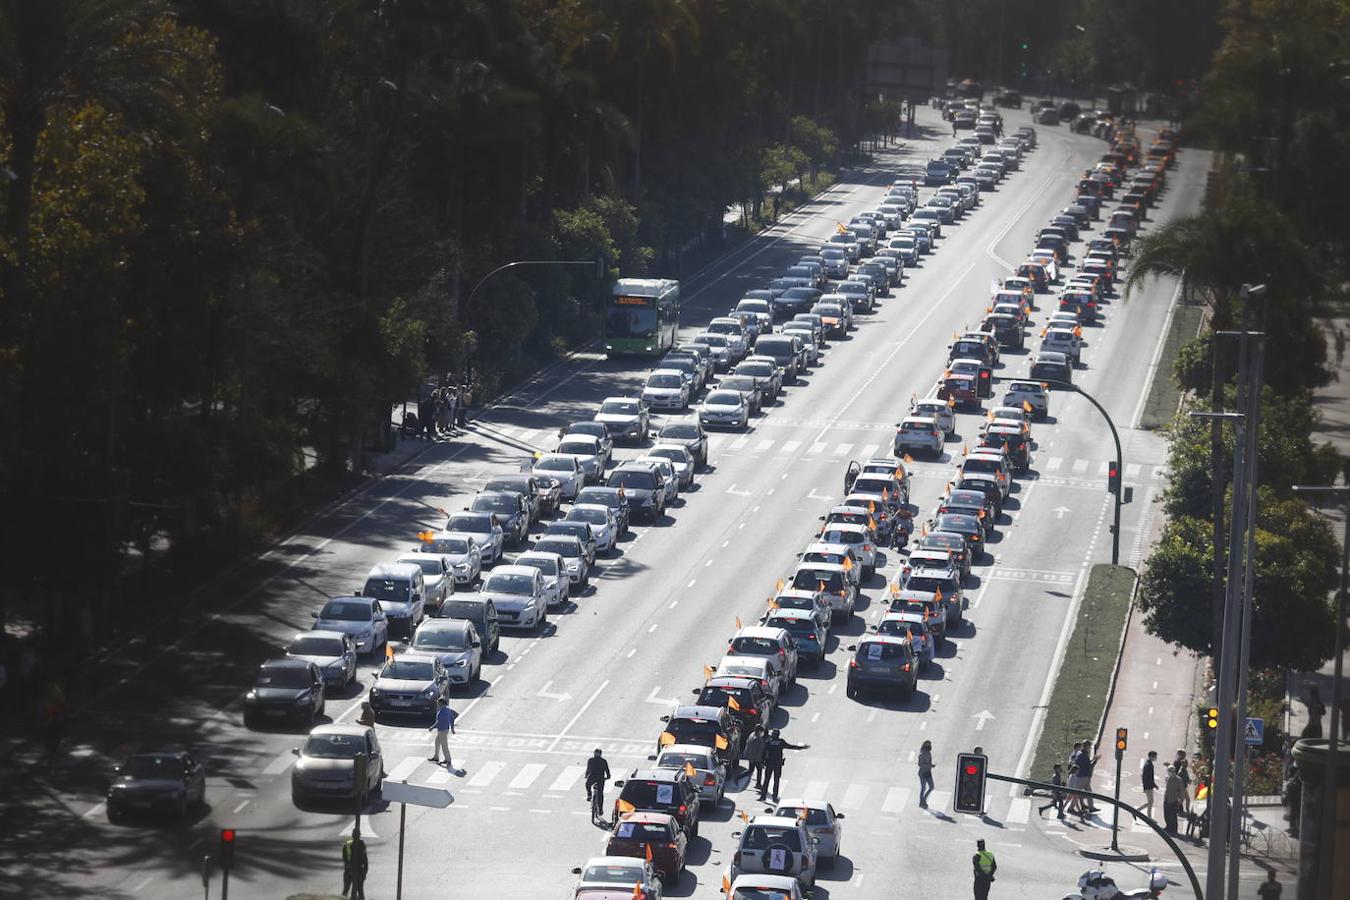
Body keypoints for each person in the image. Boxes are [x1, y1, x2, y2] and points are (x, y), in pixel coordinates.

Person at [759, 728, 809, 801]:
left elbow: (763, 753)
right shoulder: (780, 742)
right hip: (777, 764)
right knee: (776, 781)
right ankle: (774, 797)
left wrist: (762, 762)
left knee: (766, 780)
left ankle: (763, 797)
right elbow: (791, 746)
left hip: (769, 764)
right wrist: (801, 748)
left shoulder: (768, 742)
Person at [427, 698, 462, 774]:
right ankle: (436, 757)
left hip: (442, 730)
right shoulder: (448, 710)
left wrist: (432, 727)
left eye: (438, 703)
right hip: (444, 730)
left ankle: (448, 760)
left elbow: (438, 722)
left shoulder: (442, 711)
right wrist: (452, 728)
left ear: (441, 703)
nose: (437, 705)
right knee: (437, 742)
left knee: (444, 746)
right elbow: (452, 719)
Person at [342, 834, 368, 899]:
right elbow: (365, 860)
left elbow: (365, 860)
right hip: (353, 871)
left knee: (348, 890)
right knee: (358, 890)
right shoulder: (360, 845)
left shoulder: (350, 845)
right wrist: (364, 872)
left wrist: (364, 872)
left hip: (353, 871)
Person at [743, 725, 767, 790]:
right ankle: (758, 784)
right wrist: (754, 760)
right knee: (758, 770)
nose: (762, 733)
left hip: (752, 757)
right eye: (761, 731)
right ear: (759, 731)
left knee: (751, 770)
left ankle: (758, 784)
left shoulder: (752, 734)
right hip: (755, 758)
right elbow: (755, 750)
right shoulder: (757, 739)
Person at [1163, 764, 1183, 835]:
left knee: (1173, 815)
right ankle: (1168, 826)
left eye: (1170, 771)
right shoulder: (1167, 778)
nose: (1169, 772)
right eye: (1168, 771)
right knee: (1166, 814)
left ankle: (1174, 829)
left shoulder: (1178, 780)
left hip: (1173, 799)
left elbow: (1181, 790)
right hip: (1167, 798)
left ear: (1173, 771)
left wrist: (1181, 799)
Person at [1139, 750, 1158, 819]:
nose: (1156, 758)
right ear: (1151, 757)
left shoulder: (1149, 764)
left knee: (1150, 802)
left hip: (1148, 786)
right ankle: (1148, 817)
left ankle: (1139, 811)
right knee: (1150, 802)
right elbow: (1147, 777)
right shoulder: (1148, 765)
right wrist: (1153, 785)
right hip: (1148, 786)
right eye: (1155, 756)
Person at [918, 740, 936, 808]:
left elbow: (928, 763)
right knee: (923, 788)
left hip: (928, 772)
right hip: (922, 773)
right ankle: (921, 802)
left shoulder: (929, 753)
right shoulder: (921, 755)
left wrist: (931, 765)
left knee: (931, 787)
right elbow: (920, 765)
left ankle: (923, 799)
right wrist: (930, 766)